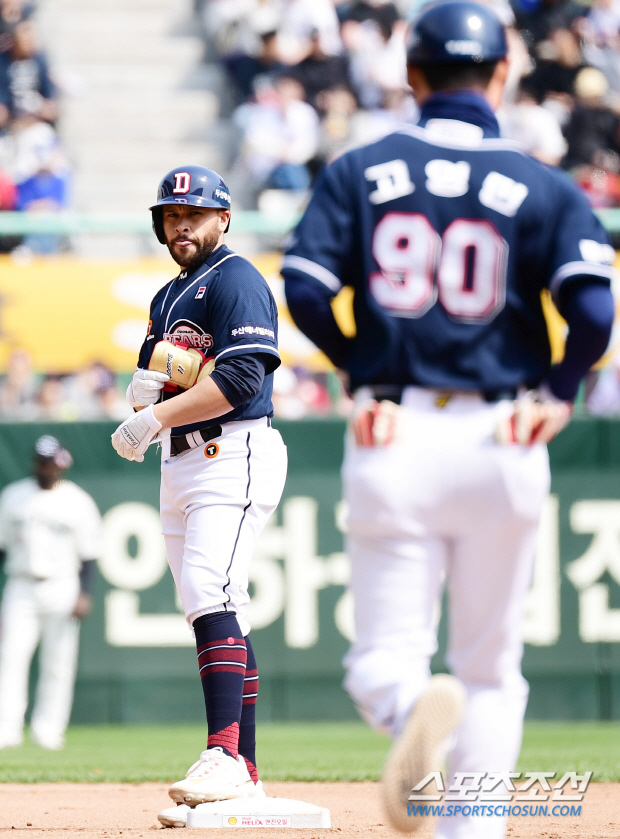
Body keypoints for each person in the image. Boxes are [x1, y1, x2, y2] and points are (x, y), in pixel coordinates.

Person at [280, 3, 616, 838]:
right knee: (493, 670)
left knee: (383, 662)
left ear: (411, 75)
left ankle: (407, 711)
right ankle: (471, 826)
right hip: (503, 435)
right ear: (502, 74)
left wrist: (363, 367)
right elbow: (595, 311)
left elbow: (306, 288)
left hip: (396, 430)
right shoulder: (545, 183)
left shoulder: (361, 169)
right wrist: (558, 391)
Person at [110, 165, 287, 828]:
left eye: (195, 212)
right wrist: (150, 394)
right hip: (184, 461)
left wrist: (156, 417)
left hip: (232, 448)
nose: (181, 224)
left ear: (224, 218)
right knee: (212, 603)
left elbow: (241, 377)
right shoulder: (169, 293)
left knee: (210, 587)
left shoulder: (236, 276)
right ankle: (245, 772)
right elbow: (160, 371)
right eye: (171, 214)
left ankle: (223, 752)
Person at [0, 435, 102, 751]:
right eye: (40, 461)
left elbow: (88, 553)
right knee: (10, 657)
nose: (45, 467)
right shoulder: (13, 496)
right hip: (20, 584)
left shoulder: (77, 500)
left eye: (50, 462)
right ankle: (5, 729)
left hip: (62, 584)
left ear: (60, 463)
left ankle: (48, 729)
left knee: (58, 662)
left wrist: (84, 593)